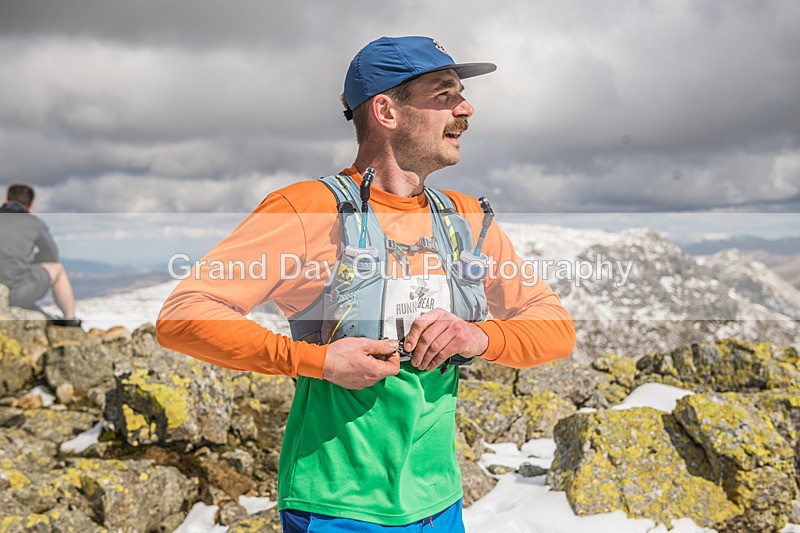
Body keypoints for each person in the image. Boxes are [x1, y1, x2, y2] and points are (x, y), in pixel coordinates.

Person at [157, 36, 576, 532]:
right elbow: (183, 315)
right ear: (386, 110)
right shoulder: (309, 209)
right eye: (444, 95)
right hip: (337, 507)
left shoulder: (464, 218)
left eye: (460, 94)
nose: (466, 108)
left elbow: (556, 328)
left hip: (439, 501)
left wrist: (478, 336)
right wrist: (317, 361)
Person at [0, 184, 80, 326]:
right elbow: (51, 257)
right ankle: (70, 321)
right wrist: (27, 260)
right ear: (30, 207)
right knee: (58, 269)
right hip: (16, 294)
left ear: (6, 199)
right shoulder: (34, 223)